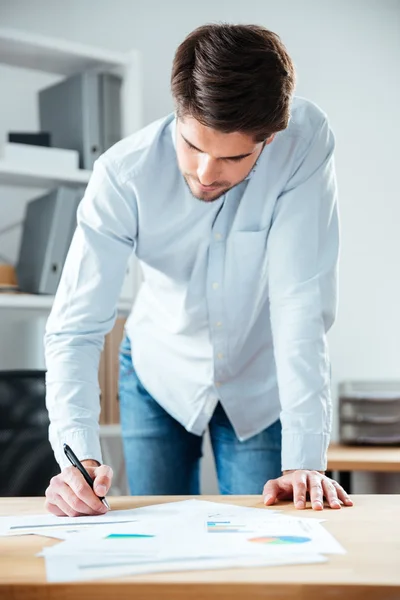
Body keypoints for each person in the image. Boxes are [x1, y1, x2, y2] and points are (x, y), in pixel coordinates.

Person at [44, 23, 353, 517]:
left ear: (269, 139)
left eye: (232, 157)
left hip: (259, 379)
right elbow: (76, 327)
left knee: (268, 541)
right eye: (192, 147)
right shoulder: (123, 176)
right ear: (179, 112)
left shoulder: (304, 142)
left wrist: (304, 459)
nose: (207, 174)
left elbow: (301, 300)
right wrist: (76, 456)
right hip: (156, 374)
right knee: (154, 534)